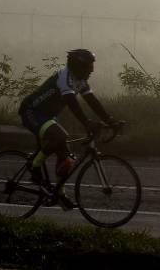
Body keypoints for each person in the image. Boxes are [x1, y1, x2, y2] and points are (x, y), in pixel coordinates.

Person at [18, 48, 119, 209]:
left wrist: (110, 119)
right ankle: (34, 165)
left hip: (48, 116)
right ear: (78, 66)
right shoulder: (65, 78)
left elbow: (92, 100)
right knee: (61, 137)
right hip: (32, 111)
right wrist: (87, 122)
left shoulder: (80, 80)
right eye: (89, 66)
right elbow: (72, 103)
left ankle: (59, 195)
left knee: (65, 158)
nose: (92, 69)